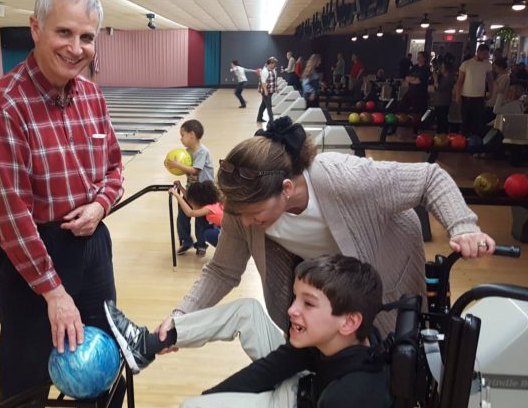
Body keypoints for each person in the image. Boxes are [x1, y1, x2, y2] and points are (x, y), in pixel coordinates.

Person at [155, 117, 495, 341]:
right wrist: (180, 318)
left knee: (391, 363)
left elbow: (428, 178)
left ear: (286, 189)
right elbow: (222, 270)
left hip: (385, 272)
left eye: (255, 213)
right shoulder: (243, 205)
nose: (244, 223)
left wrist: (463, 226)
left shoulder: (344, 178)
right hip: (324, 287)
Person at [0, 0, 125, 408]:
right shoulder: (3, 106)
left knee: (102, 373)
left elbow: (115, 168)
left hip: (92, 248)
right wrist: (53, 293)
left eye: (87, 37)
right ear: (35, 28)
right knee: (25, 387)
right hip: (30, 260)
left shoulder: (92, 97)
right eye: (65, 33)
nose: (77, 48)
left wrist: (101, 204)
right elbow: (10, 215)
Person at [107, 255, 388, 408]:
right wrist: (217, 398)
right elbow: (271, 368)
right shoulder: (344, 341)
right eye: (296, 298)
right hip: (304, 385)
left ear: (349, 322)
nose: (291, 310)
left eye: (308, 304)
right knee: (248, 311)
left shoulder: (354, 398)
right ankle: (147, 345)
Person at [165, 119, 215, 256]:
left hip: (204, 193)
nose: (181, 138)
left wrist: (177, 165)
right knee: (182, 217)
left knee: (201, 221)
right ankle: (186, 241)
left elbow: (195, 171)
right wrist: (180, 187)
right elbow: (188, 175)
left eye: (182, 135)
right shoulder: (186, 153)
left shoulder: (202, 152)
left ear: (191, 135)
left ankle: (201, 245)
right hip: (191, 191)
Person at [169, 181, 223, 249]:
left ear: (198, 201)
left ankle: (224, 252)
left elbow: (190, 213)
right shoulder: (213, 204)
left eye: (193, 202)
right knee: (206, 227)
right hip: (230, 231)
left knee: (208, 233)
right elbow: (189, 199)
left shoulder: (208, 209)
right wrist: (181, 187)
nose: (191, 204)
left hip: (231, 235)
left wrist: (177, 195)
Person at [455, 44, 494, 137]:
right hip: (467, 96)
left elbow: (490, 80)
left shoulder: (487, 64)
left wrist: (491, 92)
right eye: (484, 54)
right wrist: (458, 95)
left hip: (480, 97)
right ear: (478, 52)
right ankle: (464, 140)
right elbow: (460, 81)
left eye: (487, 54)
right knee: (466, 120)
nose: (486, 56)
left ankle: (475, 142)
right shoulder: (466, 64)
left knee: (478, 122)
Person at [401, 51, 431, 116]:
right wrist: (413, 79)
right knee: (403, 105)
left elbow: (419, 81)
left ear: (424, 58)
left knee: (417, 112)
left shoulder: (426, 69)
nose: (418, 58)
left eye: (420, 57)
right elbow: (406, 78)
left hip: (420, 94)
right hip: (411, 91)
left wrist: (412, 79)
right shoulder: (414, 67)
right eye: (418, 57)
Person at [433, 60, 456, 134]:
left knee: (442, 119)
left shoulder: (449, 78)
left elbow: (439, 87)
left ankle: (443, 134)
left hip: (444, 101)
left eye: (442, 67)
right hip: (439, 101)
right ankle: (439, 134)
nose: (441, 69)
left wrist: (436, 79)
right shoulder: (442, 77)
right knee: (439, 119)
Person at [257, 56, 279, 123]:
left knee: (263, 105)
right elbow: (263, 82)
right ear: (271, 63)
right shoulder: (265, 71)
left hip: (271, 90)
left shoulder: (273, 70)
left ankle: (259, 118)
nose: (275, 65)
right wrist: (265, 90)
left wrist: (276, 88)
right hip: (266, 91)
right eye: (274, 64)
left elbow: (274, 80)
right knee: (269, 106)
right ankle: (272, 121)